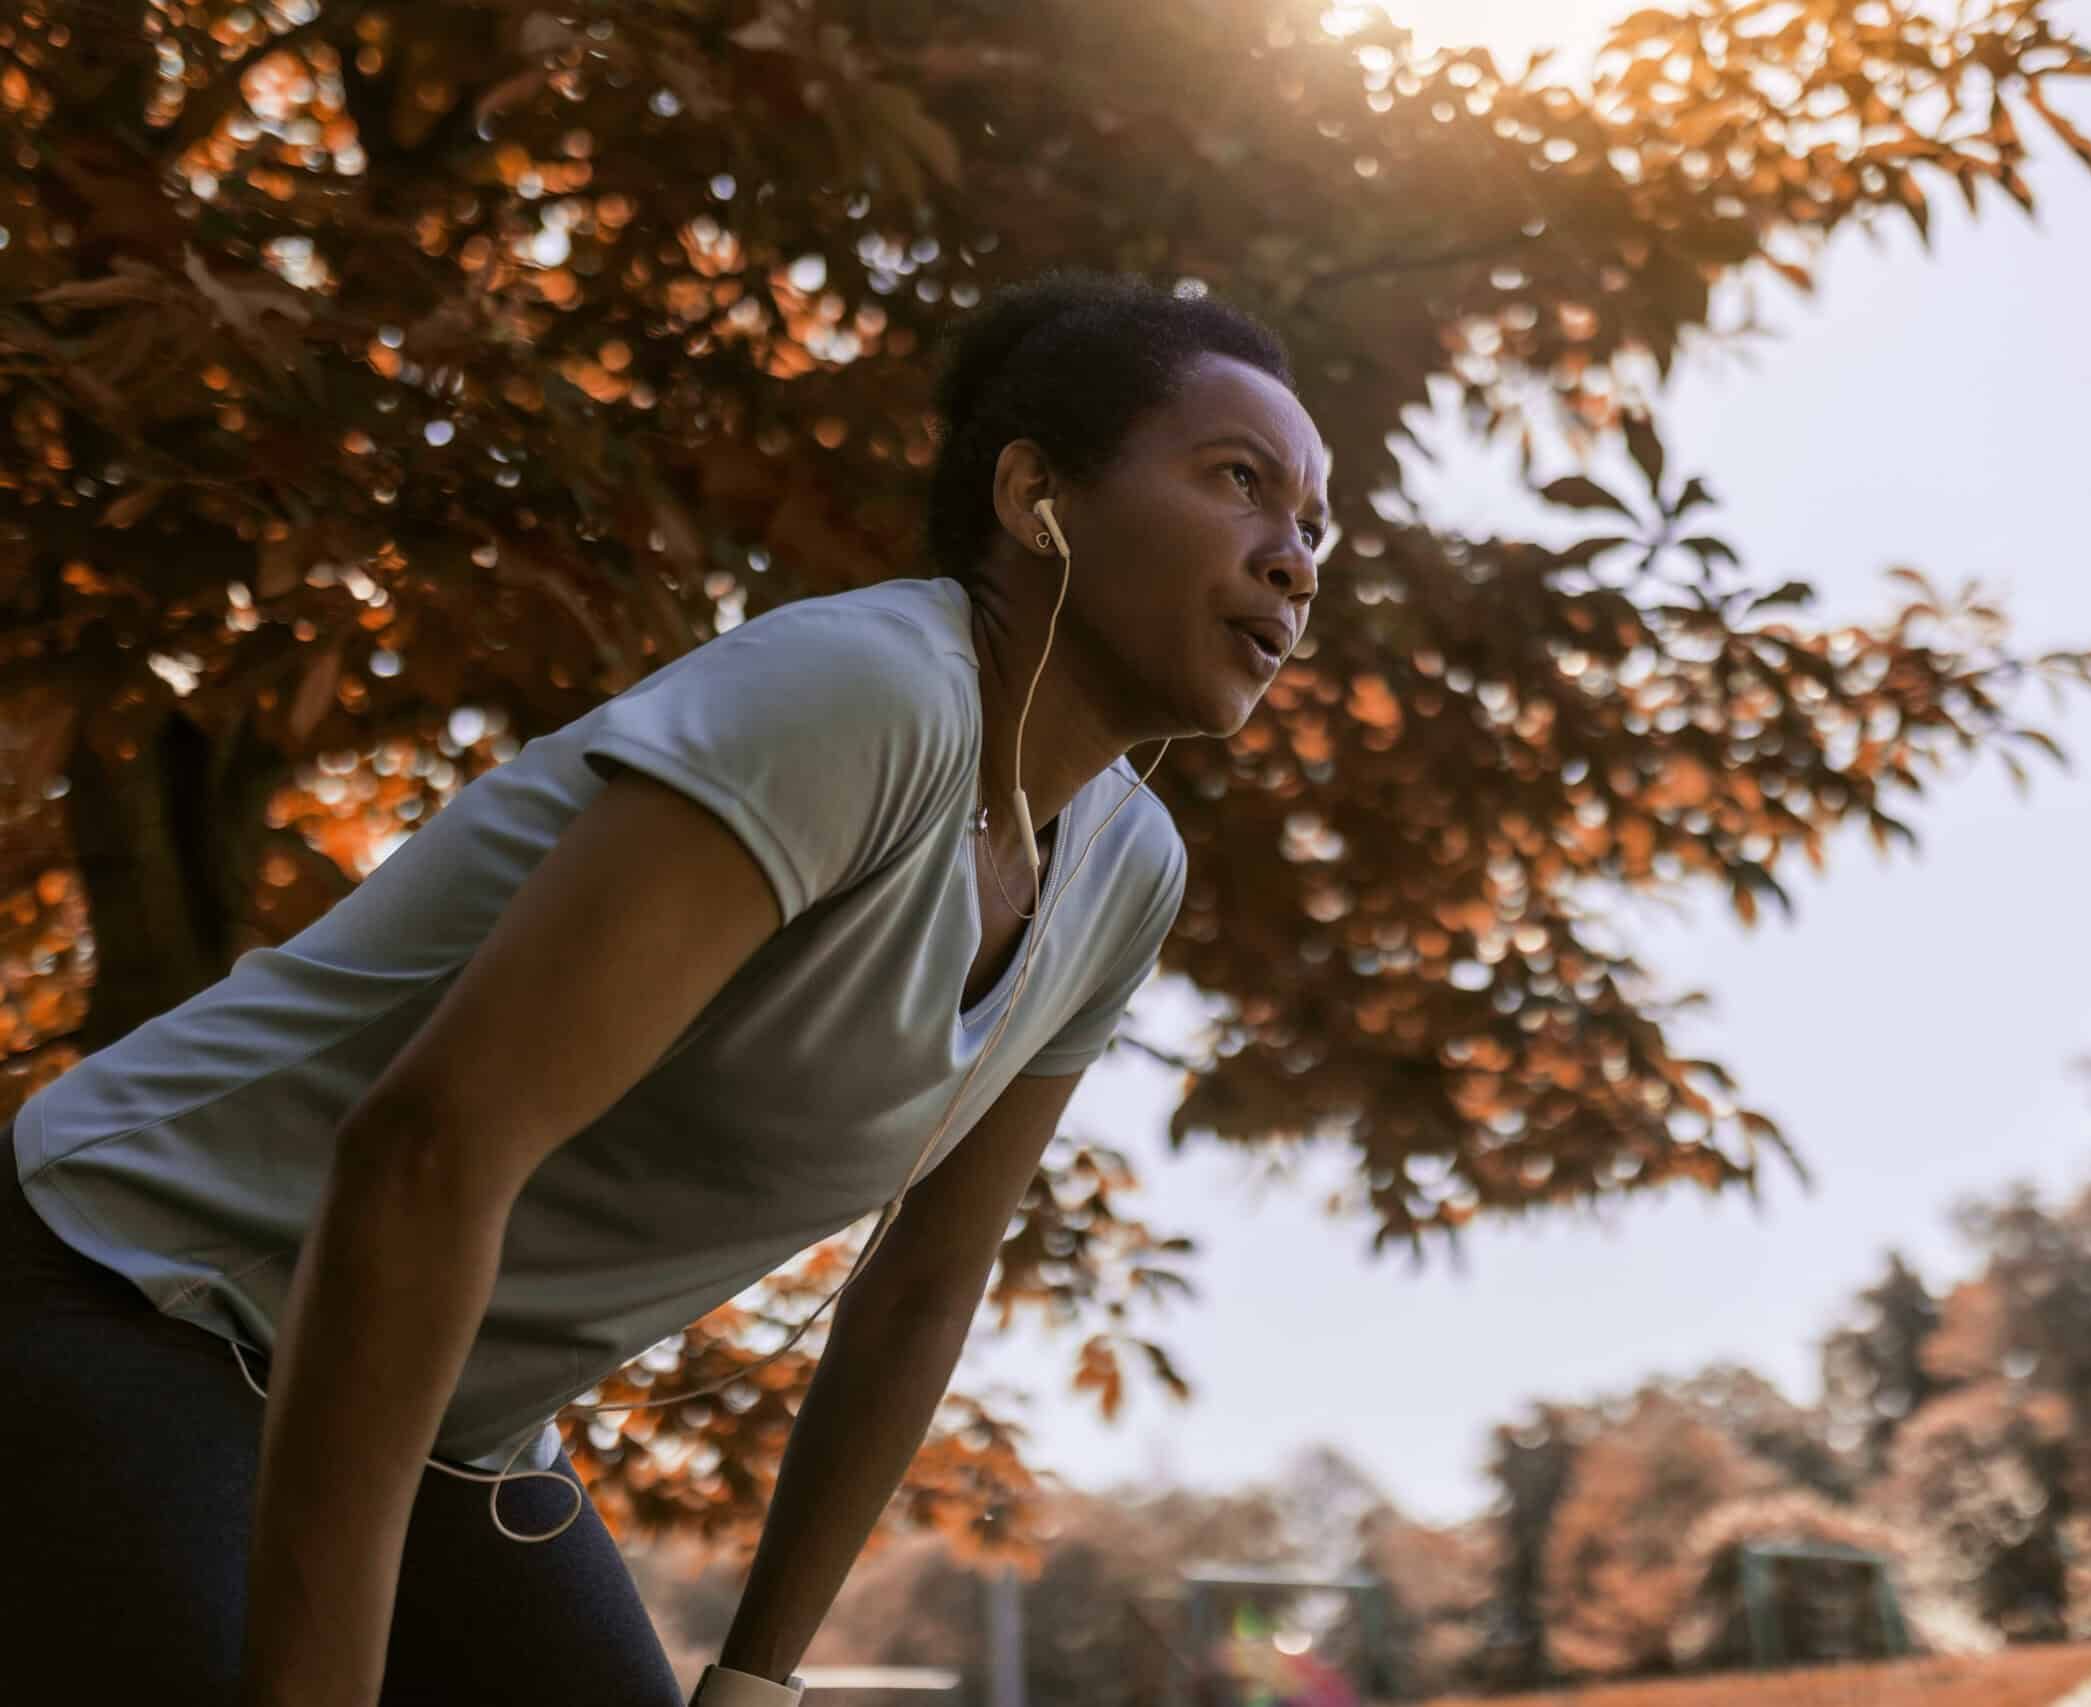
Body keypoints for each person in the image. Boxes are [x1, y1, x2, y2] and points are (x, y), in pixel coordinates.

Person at [1, 268, 1330, 1706]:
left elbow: (925, 1284)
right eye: (1241, 482)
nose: (1296, 560)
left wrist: (758, 1680)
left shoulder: (1125, 870)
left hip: (461, 1431)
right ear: (1034, 497)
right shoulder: (865, 695)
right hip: (123, 1291)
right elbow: (426, 1149)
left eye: (1317, 528)